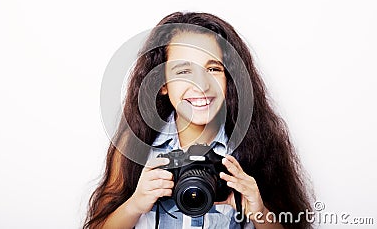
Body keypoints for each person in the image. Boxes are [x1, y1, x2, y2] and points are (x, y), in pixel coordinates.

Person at [83, 12, 314, 229]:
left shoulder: (253, 146)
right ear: (161, 83)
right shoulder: (135, 145)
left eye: (213, 68)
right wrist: (135, 205)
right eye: (183, 71)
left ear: (230, 79)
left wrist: (259, 212)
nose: (202, 86)